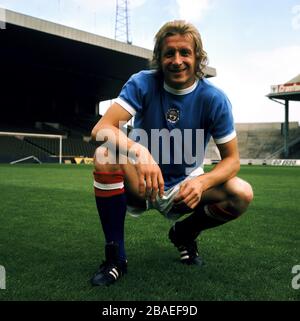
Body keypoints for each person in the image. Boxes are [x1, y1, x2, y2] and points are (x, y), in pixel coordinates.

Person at [90, 20, 253, 286]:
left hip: (185, 186)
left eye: (185, 53)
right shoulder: (142, 83)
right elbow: (101, 128)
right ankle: (116, 257)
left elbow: (232, 160)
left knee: (242, 193)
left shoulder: (214, 99)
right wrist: (140, 152)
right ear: (160, 58)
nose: (177, 61)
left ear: (197, 57)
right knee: (104, 157)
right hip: (141, 182)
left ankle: (184, 233)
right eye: (169, 53)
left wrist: (201, 183)